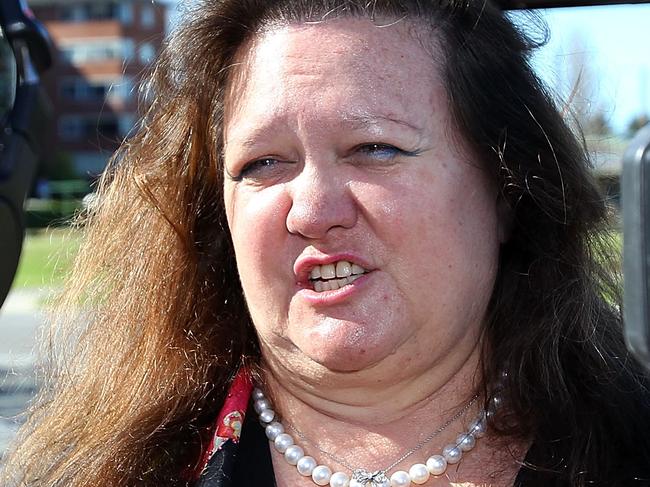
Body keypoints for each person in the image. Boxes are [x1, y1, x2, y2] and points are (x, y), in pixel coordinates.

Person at [2, 1, 650, 486]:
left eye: (374, 148)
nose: (313, 211)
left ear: (507, 190)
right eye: (262, 163)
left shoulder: (629, 446)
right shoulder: (113, 469)